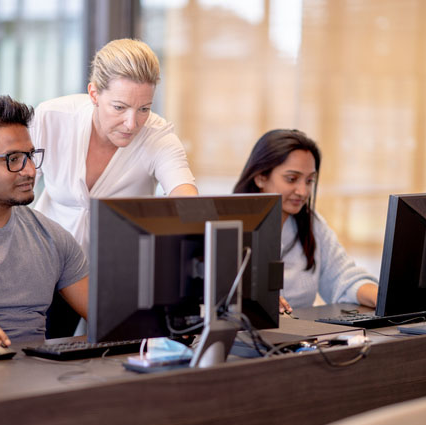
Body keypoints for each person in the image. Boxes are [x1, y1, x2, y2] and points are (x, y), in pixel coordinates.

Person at [30, 38, 198, 257]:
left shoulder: (158, 136)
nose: (132, 123)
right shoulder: (50, 118)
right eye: (120, 107)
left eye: (144, 109)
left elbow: (187, 199)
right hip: (46, 262)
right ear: (94, 94)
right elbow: (11, 191)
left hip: (118, 272)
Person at [0, 96, 89, 356]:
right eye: (13, 159)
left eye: (30, 156)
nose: (30, 170)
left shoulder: (53, 237)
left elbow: (115, 320)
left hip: (41, 381)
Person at [233, 129, 378, 313]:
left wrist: (381, 297)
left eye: (309, 181)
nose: (303, 191)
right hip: (245, 337)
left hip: (303, 337)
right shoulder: (229, 228)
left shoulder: (312, 224)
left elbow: (343, 278)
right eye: (292, 179)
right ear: (261, 177)